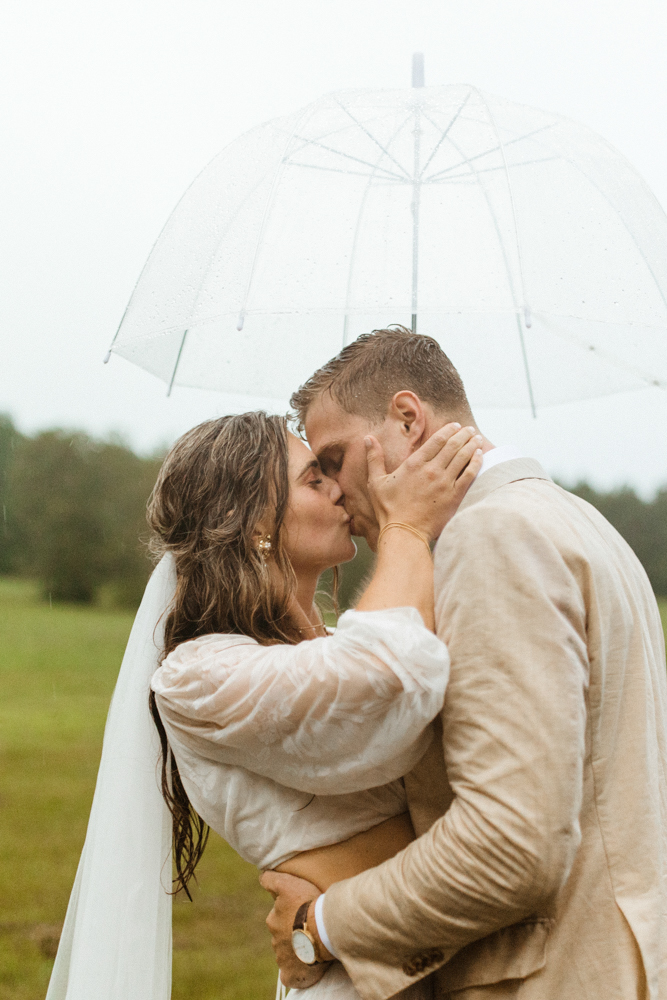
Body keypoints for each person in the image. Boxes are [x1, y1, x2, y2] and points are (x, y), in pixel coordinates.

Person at [261, 326, 667, 1000]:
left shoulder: (491, 536)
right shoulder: (574, 518)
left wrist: (320, 925)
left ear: (406, 419)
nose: (332, 491)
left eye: (332, 459)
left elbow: (511, 846)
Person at [46, 408, 482, 1000]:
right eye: (313, 478)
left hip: (410, 958)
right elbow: (388, 677)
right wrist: (405, 526)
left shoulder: (318, 650)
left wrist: (323, 892)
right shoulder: (198, 677)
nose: (338, 487)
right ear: (254, 521)